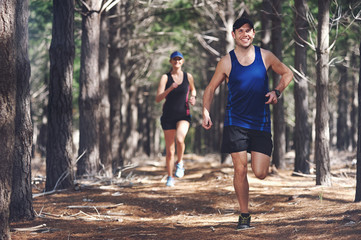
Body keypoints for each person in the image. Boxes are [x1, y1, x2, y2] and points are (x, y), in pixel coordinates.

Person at [202, 17, 293, 230]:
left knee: (260, 172)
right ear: (234, 34)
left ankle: (247, 203)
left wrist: (277, 90)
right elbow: (210, 89)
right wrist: (205, 111)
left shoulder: (266, 56)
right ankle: (244, 215)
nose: (245, 34)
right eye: (240, 31)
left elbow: (287, 73)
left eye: (249, 31)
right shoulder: (226, 61)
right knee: (240, 169)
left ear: (253, 33)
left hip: (260, 122)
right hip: (236, 121)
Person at [156, 51, 196, 187]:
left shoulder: (188, 76)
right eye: (174, 59)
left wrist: (193, 97)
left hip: (183, 115)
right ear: (171, 62)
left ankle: (180, 163)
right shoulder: (165, 78)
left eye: (179, 59)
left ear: (183, 61)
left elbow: (193, 90)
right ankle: (170, 176)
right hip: (168, 116)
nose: (177, 61)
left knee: (180, 139)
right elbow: (158, 98)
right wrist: (170, 89)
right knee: (170, 151)